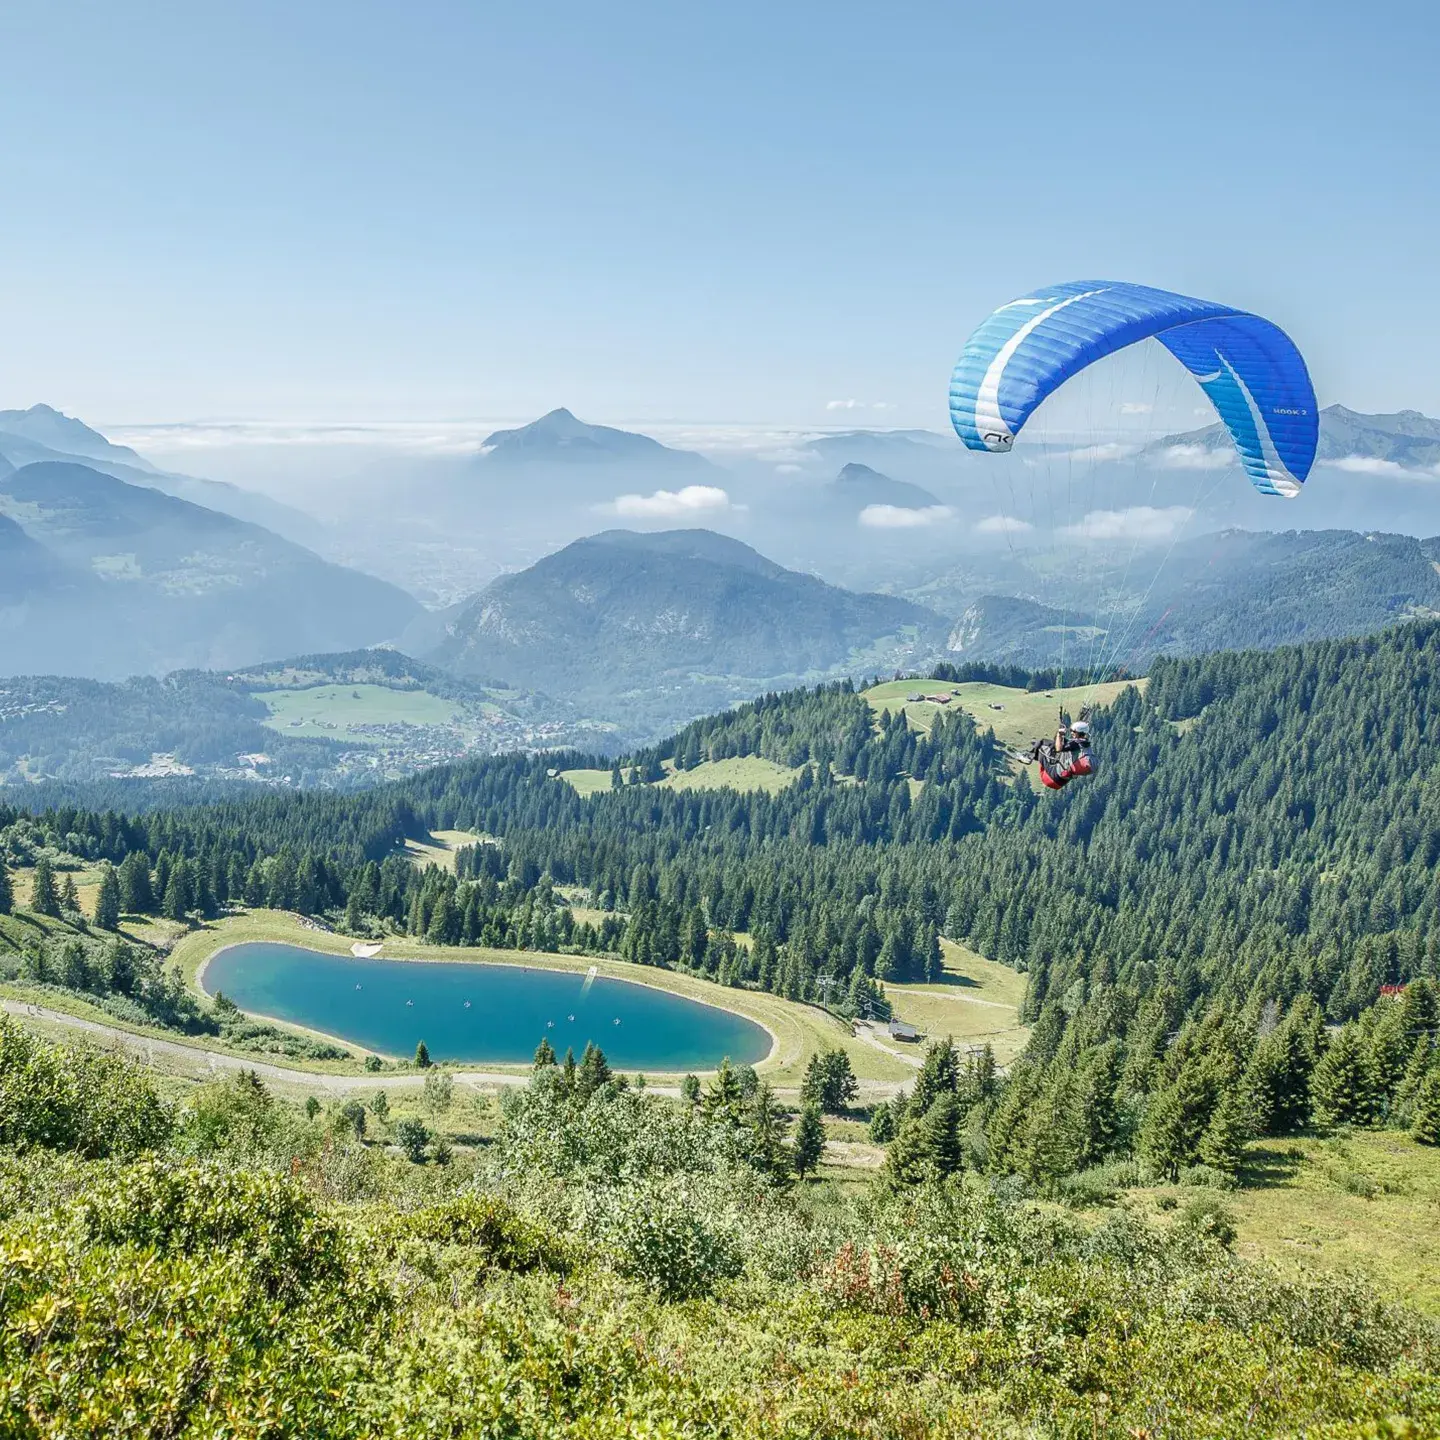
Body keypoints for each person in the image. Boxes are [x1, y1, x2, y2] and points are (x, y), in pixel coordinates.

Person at [1026, 708, 1093, 790]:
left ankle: (1028, 757)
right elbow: (1063, 743)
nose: (1071, 732)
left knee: (1042, 743)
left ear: (1077, 732)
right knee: (1052, 745)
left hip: (1052, 777)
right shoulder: (1085, 745)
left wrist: (1059, 734)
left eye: (1073, 731)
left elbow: (1058, 749)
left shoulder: (1075, 744)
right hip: (1061, 781)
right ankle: (1036, 755)